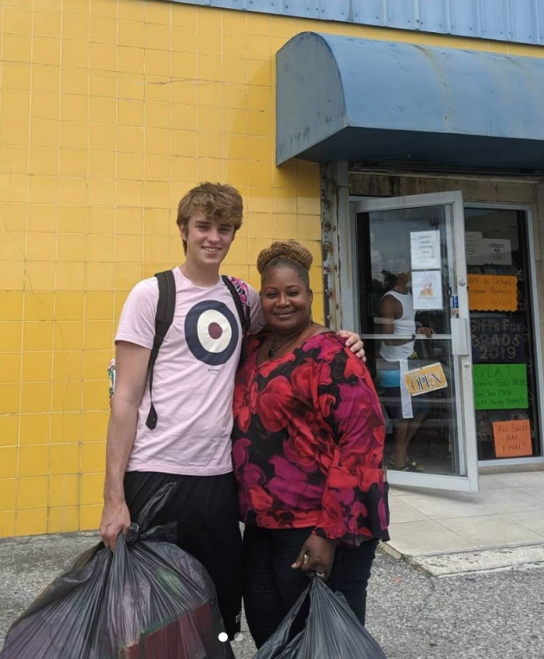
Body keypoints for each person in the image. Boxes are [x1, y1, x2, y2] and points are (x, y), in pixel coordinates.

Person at [99, 183, 364, 639]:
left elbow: (291, 322)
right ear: (183, 230)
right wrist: (113, 498)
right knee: (154, 610)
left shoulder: (241, 297)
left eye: (224, 228)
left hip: (220, 482)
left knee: (219, 609)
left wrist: (339, 338)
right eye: (203, 226)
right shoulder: (151, 295)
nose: (213, 238)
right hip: (155, 472)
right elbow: (123, 399)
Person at [232, 240, 389, 648]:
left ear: (309, 296)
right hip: (262, 526)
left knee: (323, 642)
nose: (282, 302)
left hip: (315, 527)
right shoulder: (254, 348)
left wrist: (328, 533)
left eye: (292, 292)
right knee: (272, 636)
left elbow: (362, 444)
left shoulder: (333, 355)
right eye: (271, 293)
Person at [377, 271, 434, 471]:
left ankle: (399, 453)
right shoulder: (390, 300)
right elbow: (388, 339)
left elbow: (410, 326)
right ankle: (400, 460)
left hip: (411, 361)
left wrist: (421, 329)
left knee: (422, 409)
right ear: (400, 276)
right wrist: (414, 335)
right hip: (393, 364)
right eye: (408, 273)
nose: (412, 276)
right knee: (404, 414)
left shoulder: (413, 296)